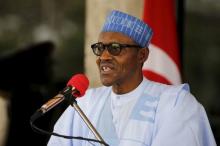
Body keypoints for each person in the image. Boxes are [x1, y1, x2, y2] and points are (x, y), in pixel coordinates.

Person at [47, 10, 216, 146]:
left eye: (115, 48)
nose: (103, 56)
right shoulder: (85, 103)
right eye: (100, 48)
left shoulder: (175, 103)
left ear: (142, 55)